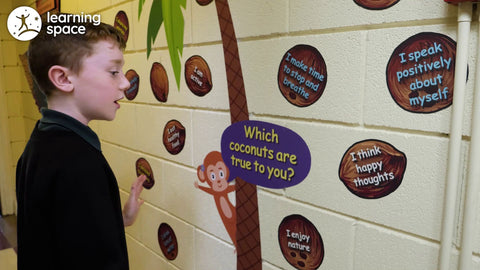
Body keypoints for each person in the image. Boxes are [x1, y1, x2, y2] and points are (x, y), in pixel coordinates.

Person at [16, 19, 145, 270]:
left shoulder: (40, 144)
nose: (125, 83)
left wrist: (121, 219)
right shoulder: (78, 164)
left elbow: (62, 236)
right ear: (63, 78)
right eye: (113, 71)